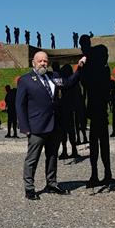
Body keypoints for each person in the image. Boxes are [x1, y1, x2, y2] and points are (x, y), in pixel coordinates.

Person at [16, 51, 87, 200]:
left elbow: (68, 83)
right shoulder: (25, 80)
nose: (43, 63)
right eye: (40, 61)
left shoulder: (54, 77)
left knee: (52, 156)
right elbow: (20, 105)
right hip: (36, 127)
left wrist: (79, 68)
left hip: (54, 125)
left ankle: (52, 183)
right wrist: (25, 128)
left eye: (45, 61)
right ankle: (29, 188)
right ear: (33, 63)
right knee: (32, 159)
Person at [81, 39, 113, 186]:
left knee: (97, 144)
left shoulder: (95, 69)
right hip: (99, 110)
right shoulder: (104, 69)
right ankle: (104, 173)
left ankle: (98, 174)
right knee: (101, 143)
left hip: (96, 110)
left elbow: (85, 82)